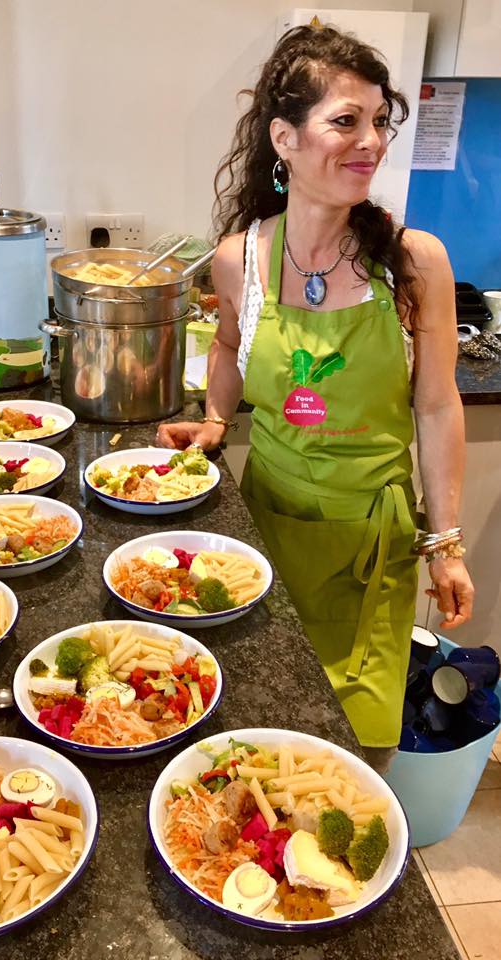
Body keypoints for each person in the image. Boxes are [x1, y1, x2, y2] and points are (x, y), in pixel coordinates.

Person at [157, 25, 474, 770]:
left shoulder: (412, 262)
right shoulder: (244, 259)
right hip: (264, 527)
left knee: (355, 758)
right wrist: (214, 419)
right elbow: (230, 347)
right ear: (284, 137)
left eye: (378, 123)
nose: (370, 142)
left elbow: (436, 405)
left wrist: (447, 541)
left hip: (373, 548)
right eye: (346, 121)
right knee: (247, 738)